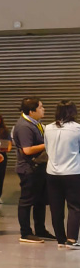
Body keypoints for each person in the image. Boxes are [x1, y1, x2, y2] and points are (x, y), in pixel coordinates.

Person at [12, 97, 55, 243]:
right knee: (27, 201)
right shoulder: (24, 126)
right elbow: (27, 150)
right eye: (41, 107)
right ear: (31, 111)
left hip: (39, 168)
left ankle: (40, 229)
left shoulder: (36, 123)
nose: (44, 109)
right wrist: (48, 143)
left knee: (40, 201)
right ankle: (25, 232)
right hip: (29, 169)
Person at [44, 100, 80, 249]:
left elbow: (47, 149)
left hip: (52, 173)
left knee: (56, 207)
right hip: (73, 172)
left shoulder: (48, 128)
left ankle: (60, 239)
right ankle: (72, 240)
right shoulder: (77, 129)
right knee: (75, 207)